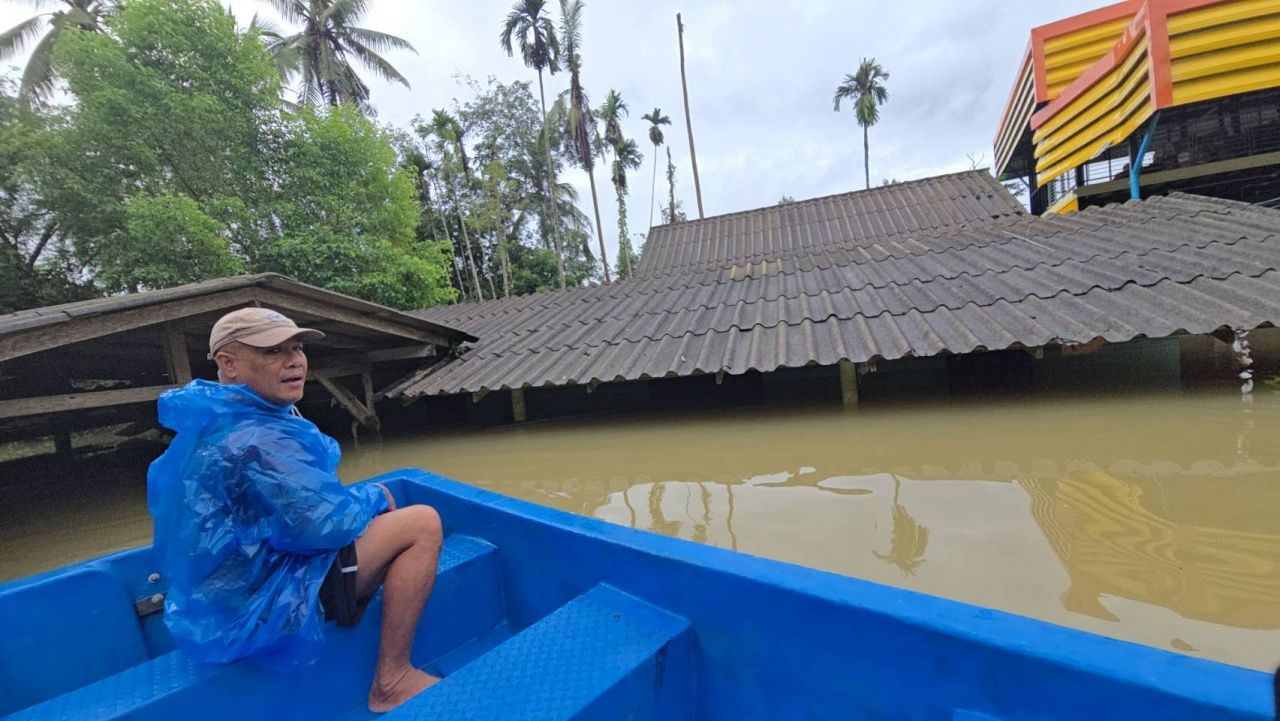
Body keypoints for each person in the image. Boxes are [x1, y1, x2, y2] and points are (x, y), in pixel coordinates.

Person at [147, 307, 442, 713]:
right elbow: (321, 528)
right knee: (422, 522)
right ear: (228, 364)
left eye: (297, 347)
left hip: (223, 596)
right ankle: (392, 681)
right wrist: (375, 497)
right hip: (264, 600)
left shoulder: (216, 423)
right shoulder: (254, 435)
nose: (294, 360)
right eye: (272, 352)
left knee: (371, 505)